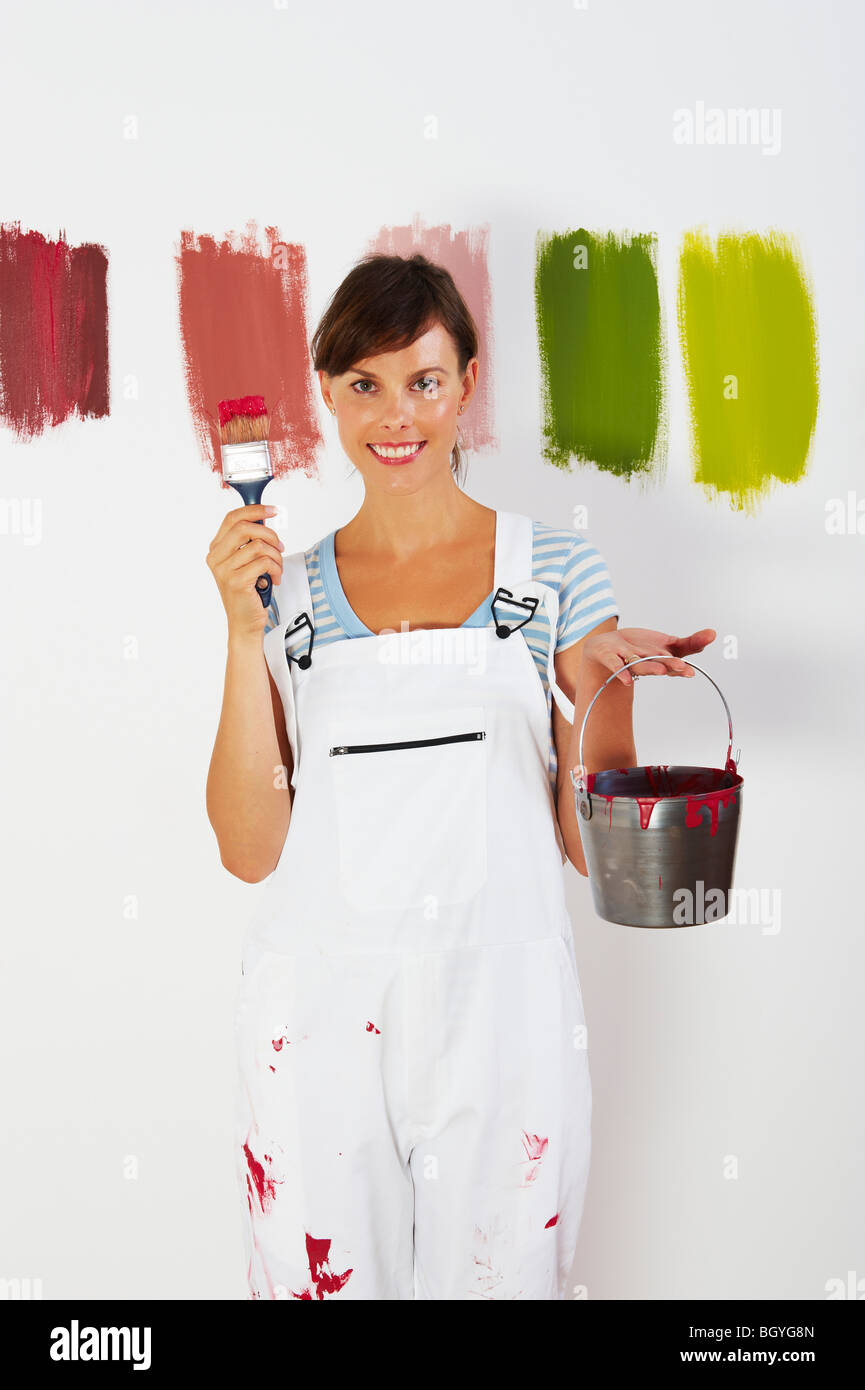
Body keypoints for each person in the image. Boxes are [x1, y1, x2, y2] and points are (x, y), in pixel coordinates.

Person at [205, 253, 715, 1300]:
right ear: (328, 398)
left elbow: (592, 854)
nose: (397, 416)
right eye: (365, 385)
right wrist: (238, 632)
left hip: (503, 1019)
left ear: (467, 384)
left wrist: (598, 687)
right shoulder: (284, 589)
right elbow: (250, 848)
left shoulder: (554, 572)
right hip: (319, 1026)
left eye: (424, 380)